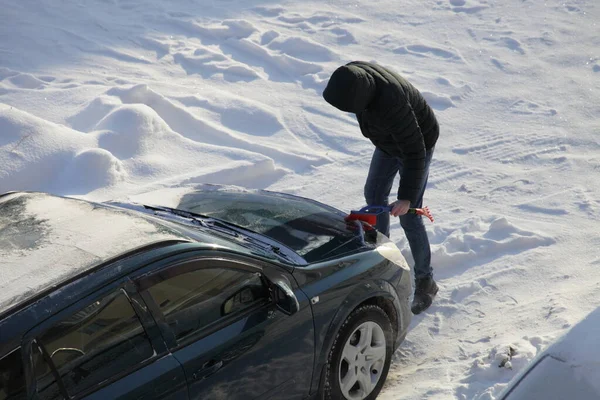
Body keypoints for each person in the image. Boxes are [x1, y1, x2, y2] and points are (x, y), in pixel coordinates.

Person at [322, 60, 439, 315]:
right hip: (388, 141)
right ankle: (383, 258)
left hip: (417, 144)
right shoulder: (354, 79)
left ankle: (426, 281)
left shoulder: (392, 104)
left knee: (409, 217)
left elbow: (415, 151)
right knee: (374, 195)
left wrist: (407, 198)